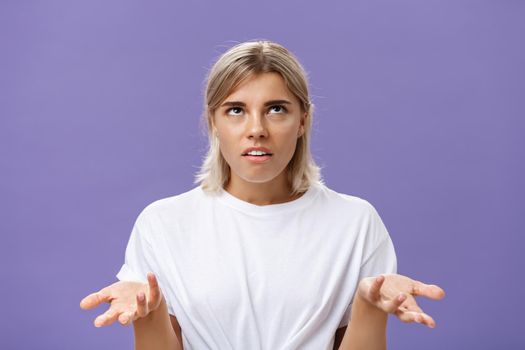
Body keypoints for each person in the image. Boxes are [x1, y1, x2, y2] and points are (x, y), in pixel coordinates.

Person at [80, 40, 445, 350]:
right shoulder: (163, 223)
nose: (256, 129)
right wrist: (150, 312)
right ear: (213, 122)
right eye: (236, 110)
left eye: (276, 109)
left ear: (303, 120)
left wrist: (369, 306)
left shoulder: (355, 222)